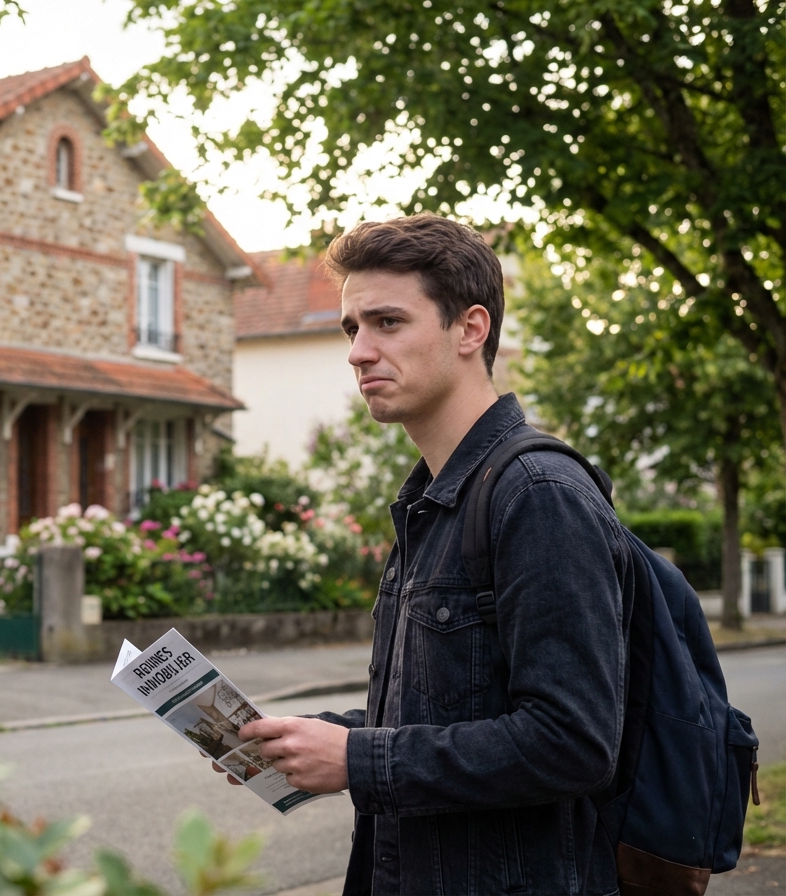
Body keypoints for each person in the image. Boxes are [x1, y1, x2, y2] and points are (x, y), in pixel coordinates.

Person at [235, 215, 634, 895]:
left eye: (387, 323)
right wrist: (318, 739)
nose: (359, 352)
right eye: (351, 329)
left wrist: (359, 759)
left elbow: (573, 742)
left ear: (470, 329)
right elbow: (451, 712)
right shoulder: (434, 500)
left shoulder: (537, 494)